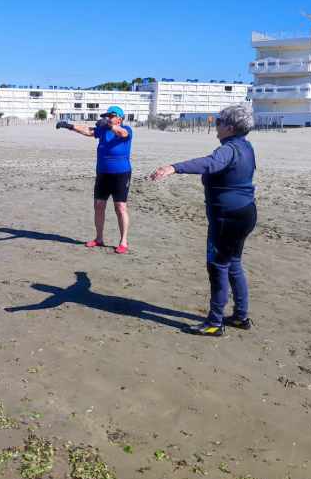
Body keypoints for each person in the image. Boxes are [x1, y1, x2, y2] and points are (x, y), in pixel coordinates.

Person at [149, 104, 257, 337]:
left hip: (228, 218)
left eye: (219, 122)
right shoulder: (246, 146)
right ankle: (240, 316)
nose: (216, 126)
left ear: (230, 127)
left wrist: (174, 168)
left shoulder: (229, 149)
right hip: (245, 213)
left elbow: (210, 163)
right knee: (233, 263)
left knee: (218, 266)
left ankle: (215, 322)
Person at [56, 106, 132, 253]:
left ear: (120, 118)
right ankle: (99, 238)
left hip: (121, 174)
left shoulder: (126, 129)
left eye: (111, 116)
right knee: (99, 205)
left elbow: (121, 133)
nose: (108, 118)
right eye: (107, 116)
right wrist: (69, 126)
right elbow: (88, 131)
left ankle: (123, 242)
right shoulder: (103, 130)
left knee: (120, 207)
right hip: (102, 173)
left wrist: (109, 125)